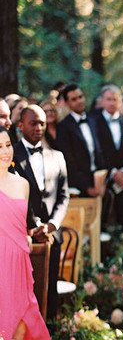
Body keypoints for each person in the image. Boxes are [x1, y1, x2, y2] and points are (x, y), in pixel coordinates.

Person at [12, 106, 70, 322]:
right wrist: (34, 225)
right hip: (23, 234)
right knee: (24, 290)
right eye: (33, 123)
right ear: (20, 125)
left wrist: (52, 225)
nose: (38, 128)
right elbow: (16, 196)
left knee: (50, 287)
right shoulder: (11, 155)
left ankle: (52, 337)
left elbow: (64, 196)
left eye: (42, 123)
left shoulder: (57, 156)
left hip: (52, 235)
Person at [0, 126, 51, 340]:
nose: (5, 151)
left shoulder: (22, 184)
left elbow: (24, 224)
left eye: (8, 145)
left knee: (23, 319)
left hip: (20, 260)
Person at [89, 84, 123, 230]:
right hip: (104, 178)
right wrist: (111, 172)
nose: (111, 103)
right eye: (108, 99)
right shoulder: (93, 122)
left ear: (120, 101)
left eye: (115, 99)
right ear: (102, 101)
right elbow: (96, 150)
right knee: (104, 219)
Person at [55, 84, 106, 197]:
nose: (79, 101)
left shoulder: (93, 120)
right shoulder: (63, 127)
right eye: (74, 99)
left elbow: (100, 150)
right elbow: (68, 161)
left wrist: (102, 181)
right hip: (79, 187)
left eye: (80, 97)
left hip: (99, 181)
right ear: (67, 103)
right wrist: (87, 187)